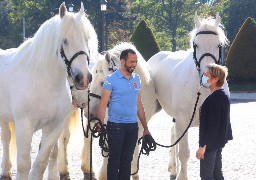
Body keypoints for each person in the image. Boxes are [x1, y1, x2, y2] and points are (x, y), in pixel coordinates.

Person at [97, 49, 150, 180]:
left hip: (132, 127)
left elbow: (139, 105)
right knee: (114, 161)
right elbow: (103, 104)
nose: (134, 64)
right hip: (115, 127)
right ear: (122, 61)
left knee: (127, 162)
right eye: (131, 61)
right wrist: (101, 124)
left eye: (136, 62)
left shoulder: (136, 79)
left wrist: (146, 128)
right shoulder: (111, 80)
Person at [196, 64, 233, 180]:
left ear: (216, 79)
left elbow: (213, 126)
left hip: (210, 144)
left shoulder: (214, 99)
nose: (204, 77)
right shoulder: (223, 96)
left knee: (206, 175)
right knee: (217, 174)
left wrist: (203, 146)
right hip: (217, 142)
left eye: (207, 75)